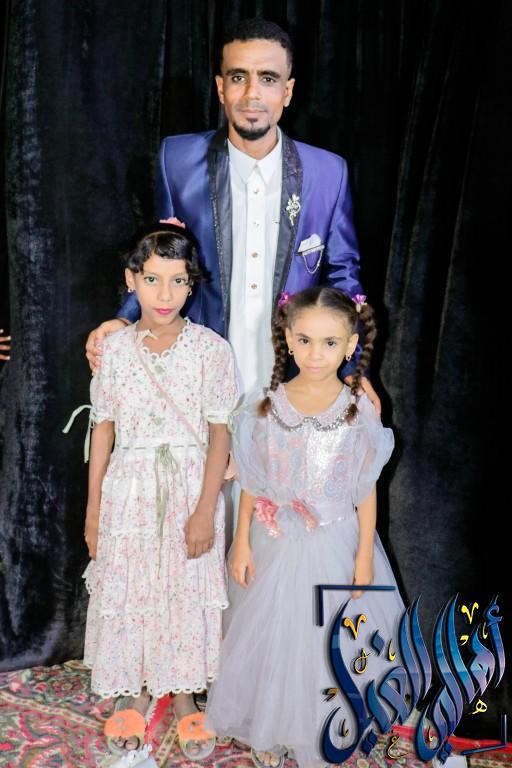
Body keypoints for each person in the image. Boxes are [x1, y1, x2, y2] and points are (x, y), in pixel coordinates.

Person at [85, 18, 380, 410]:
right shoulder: (178, 160)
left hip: (295, 381)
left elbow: (342, 277)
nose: (252, 93)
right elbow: (161, 257)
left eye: (268, 79)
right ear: (221, 88)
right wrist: (124, 321)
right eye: (238, 77)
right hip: (197, 381)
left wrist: (354, 371)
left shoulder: (328, 173)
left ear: (288, 91)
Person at [205, 287, 404, 768]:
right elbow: (252, 481)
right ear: (288, 340)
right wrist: (240, 542)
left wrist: (363, 555)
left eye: (330, 343)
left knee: (327, 636)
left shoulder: (358, 408)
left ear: (351, 344)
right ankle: (270, 726)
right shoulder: (265, 405)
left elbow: (365, 489)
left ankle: (326, 723)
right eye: (306, 340)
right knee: (274, 635)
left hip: (336, 540)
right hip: (273, 543)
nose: (316, 354)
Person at [82, 223, 239, 750]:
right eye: (151, 279)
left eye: (177, 280)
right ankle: (135, 692)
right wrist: (93, 510)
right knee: (133, 587)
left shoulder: (212, 350)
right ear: (132, 280)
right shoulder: (114, 351)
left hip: (191, 488)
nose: (164, 294)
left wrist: (205, 509)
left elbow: (220, 433)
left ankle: (187, 694)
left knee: (185, 590)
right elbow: (103, 429)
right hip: (128, 491)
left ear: (192, 284)